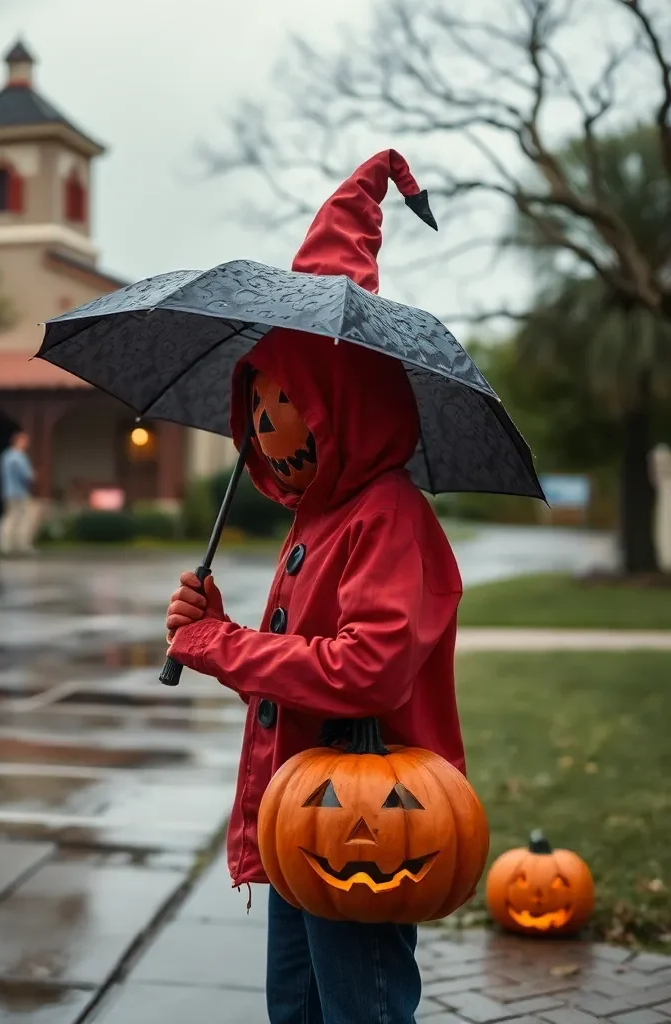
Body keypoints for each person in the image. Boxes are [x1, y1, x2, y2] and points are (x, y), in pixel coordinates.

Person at [164, 152, 466, 1024]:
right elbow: (291, 659)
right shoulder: (319, 516)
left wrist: (221, 647)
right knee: (294, 1012)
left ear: (343, 400)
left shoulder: (387, 516)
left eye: (284, 406)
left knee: (359, 1012)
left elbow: (364, 670)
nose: (264, 433)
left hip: (371, 822)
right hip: (299, 811)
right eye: (254, 413)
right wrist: (215, 624)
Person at [0, 429, 37, 555]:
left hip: (8, 492)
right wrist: (33, 475)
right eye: (25, 441)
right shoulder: (18, 457)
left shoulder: (5, 456)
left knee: (9, 517)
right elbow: (27, 476)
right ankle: (22, 546)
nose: (27, 444)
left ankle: (6, 545)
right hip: (19, 492)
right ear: (18, 441)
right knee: (21, 519)